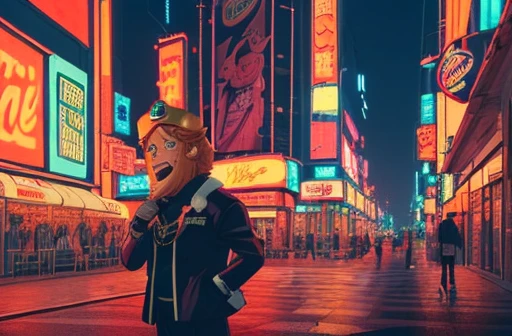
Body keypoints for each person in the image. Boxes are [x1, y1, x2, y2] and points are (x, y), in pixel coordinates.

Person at [121, 100, 264, 336]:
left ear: (191, 150)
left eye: (168, 144)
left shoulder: (221, 204)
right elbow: (131, 262)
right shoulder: (160, 208)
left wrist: (217, 288)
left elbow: (253, 255)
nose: (156, 157)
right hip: (164, 315)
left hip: (204, 317)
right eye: (152, 150)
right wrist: (138, 227)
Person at [438, 212, 462, 299]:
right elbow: (457, 236)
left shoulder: (442, 225)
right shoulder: (453, 225)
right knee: (451, 267)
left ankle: (443, 282)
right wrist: (459, 245)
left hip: (444, 247)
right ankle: (452, 283)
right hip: (451, 247)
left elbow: (439, 237)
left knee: (444, 267)